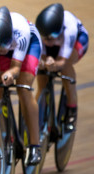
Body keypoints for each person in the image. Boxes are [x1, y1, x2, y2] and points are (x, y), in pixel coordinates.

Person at [0, 6, 42, 165]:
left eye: (3, 47)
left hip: (29, 46)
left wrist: (11, 73)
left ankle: (35, 145)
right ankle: (7, 134)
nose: (0, 51)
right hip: (5, 43)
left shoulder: (20, 31)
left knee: (24, 89)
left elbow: (16, 68)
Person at [35, 3, 88, 131]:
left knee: (65, 67)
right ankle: (40, 110)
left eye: (50, 38)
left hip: (77, 41)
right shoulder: (40, 31)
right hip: (57, 40)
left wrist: (56, 64)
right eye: (44, 38)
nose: (47, 41)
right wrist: (43, 62)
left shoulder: (70, 29)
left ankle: (71, 108)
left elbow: (62, 62)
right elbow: (40, 57)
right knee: (42, 73)